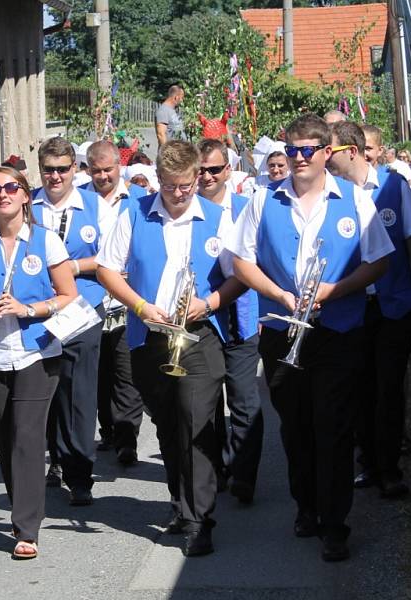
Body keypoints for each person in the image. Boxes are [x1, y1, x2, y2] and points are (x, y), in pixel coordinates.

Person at [227, 114, 394, 562]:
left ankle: (335, 525)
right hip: (282, 331)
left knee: (334, 427)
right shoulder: (263, 201)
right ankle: (307, 506)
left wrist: (334, 290)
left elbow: (379, 261)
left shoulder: (356, 201)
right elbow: (240, 262)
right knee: (297, 427)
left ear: (325, 153)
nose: (298, 158)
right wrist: (279, 293)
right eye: (292, 150)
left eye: (306, 150)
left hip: (338, 331)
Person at [97, 140, 245, 557]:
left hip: (200, 334)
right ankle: (181, 504)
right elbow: (107, 269)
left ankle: (201, 519)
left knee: (196, 422)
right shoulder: (133, 213)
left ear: (198, 176)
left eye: (187, 185)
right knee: (167, 424)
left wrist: (210, 302)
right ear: (157, 179)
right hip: (151, 337)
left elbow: (240, 275)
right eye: (172, 185)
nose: (180, 193)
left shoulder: (219, 217)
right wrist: (141, 307)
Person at [0, 165, 77, 559]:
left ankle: (27, 529)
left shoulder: (46, 241)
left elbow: (68, 295)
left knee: (28, 438)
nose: (3, 195)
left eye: (11, 188)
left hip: (36, 352)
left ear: (26, 195)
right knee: (8, 439)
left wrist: (30, 309)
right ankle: (20, 508)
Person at [328, 121, 411, 499]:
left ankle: (389, 469)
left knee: (388, 388)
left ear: (351, 151)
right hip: (351, 306)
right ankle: (367, 461)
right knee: (359, 387)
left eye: (330, 151)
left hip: (393, 304)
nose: (325, 158)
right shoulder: (332, 193)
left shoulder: (393, 186)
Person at [32, 137, 112, 504]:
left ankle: (81, 474)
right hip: (39, 311)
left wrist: (72, 267)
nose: (55, 176)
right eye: (49, 170)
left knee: (80, 393)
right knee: (46, 389)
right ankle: (54, 460)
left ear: (74, 170)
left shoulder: (95, 204)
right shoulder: (27, 203)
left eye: (63, 169)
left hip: (83, 308)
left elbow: (112, 257)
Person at [196, 138, 264, 504]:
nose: (206, 176)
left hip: (242, 316)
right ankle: (218, 468)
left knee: (243, 400)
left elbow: (261, 266)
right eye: (201, 170)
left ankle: (244, 474)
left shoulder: (246, 208)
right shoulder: (184, 211)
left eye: (214, 169)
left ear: (228, 171)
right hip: (201, 323)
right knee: (206, 403)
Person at [81, 140, 144, 463]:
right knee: (99, 371)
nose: (103, 176)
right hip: (89, 298)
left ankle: (127, 437)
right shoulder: (80, 200)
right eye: (97, 170)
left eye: (109, 169)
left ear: (120, 166)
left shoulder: (140, 200)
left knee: (125, 370)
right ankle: (108, 430)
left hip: (127, 296)